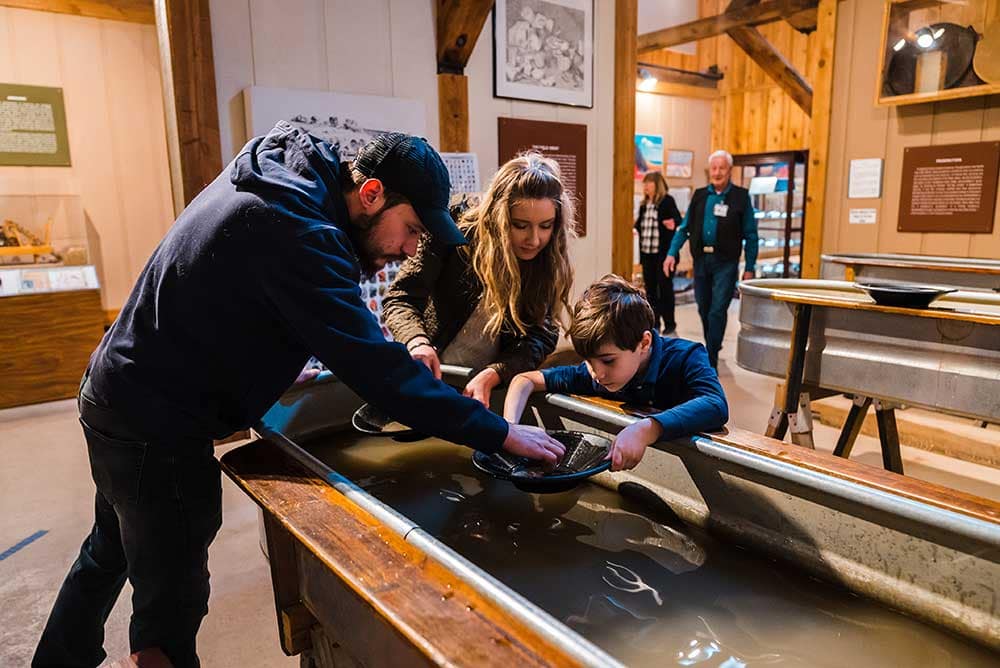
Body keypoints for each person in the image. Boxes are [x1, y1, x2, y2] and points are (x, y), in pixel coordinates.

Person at [32, 123, 566, 668]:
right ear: (372, 193)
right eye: (408, 230)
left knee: (110, 548)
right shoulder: (301, 235)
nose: (409, 247)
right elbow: (382, 376)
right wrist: (501, 432)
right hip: (158, 423)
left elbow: (244, 306)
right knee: (171, 601)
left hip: (115, 389)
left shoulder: (287, 170)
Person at [383, 152, 575, 407]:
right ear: (499, 216)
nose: (534, 239)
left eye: (545, 225)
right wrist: (417, 342)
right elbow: (401, 298)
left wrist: (496, 372)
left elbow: (539, 337)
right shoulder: (453, 232)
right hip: (427, 377)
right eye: (520, 225)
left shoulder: (547, 260)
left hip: (488, 390)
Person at [503, 275, 728, 471]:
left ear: (644, 343)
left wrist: (645, 430)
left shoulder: (687, 357)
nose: (596, 374)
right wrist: (511, 430)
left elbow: (715, 403)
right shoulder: (594, 373)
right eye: (588, 361)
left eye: (608, 360)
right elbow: (525, 380)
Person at [664, 150, 758, 369]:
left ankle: (712, 357)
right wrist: (671, 253)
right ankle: (712, 343)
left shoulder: (741, 197)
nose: (717, 172)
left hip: (726, 263)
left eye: (721, 168)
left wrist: (750, 267)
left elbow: (751, 235)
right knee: (703, 307)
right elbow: (684, 228)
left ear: (729, 171)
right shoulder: (699, 195)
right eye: (714, 168)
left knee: (717, 309)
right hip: (701, 261)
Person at [634, 171, 682, 334]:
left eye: (649, 183)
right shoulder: (643, 204)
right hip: (648, 254)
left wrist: (673, 224)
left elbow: (679, 222)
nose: (645, 186)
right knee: (651, 291)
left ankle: (670, 324)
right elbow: (639, 225)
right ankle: (655, 323)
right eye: (644, 183)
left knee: (665, 289)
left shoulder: (667, 201)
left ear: (657, 184)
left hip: (664, 256)